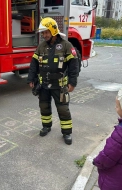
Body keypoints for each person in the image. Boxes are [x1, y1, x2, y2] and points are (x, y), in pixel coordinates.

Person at [27, 17, 79, 145]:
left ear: (53, 30)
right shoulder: (41, 47)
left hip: (60, 85)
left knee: (63, 109)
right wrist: (31, 78)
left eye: (46, 32)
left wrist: (72, 82)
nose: (44, 35)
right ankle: (46, 126)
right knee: (44, 107)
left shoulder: (66, 45)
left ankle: (67, 133)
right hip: (43, 85)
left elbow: (74, 65)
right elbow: (34, 63)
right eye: (42, 33)